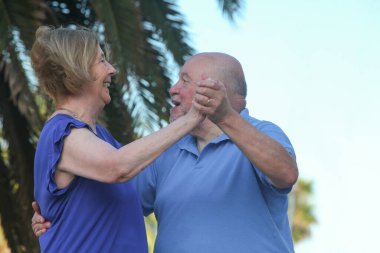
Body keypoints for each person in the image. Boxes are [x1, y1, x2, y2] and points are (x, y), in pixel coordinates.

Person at [32, 52, 299, 253]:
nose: (172, 89)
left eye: (185, 81)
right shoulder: (166, 152)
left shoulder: (264, 133)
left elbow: (286, 174)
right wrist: (56, 214)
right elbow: (114, 194)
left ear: (222, 92)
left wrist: (225, 116)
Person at [30, 26, 205, 253]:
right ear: (77, 68)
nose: (112, 70)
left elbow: (134, 169)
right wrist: (193, 118)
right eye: (101, 60)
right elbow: (117, 167)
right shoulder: (61, 133)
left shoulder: (102, 138)